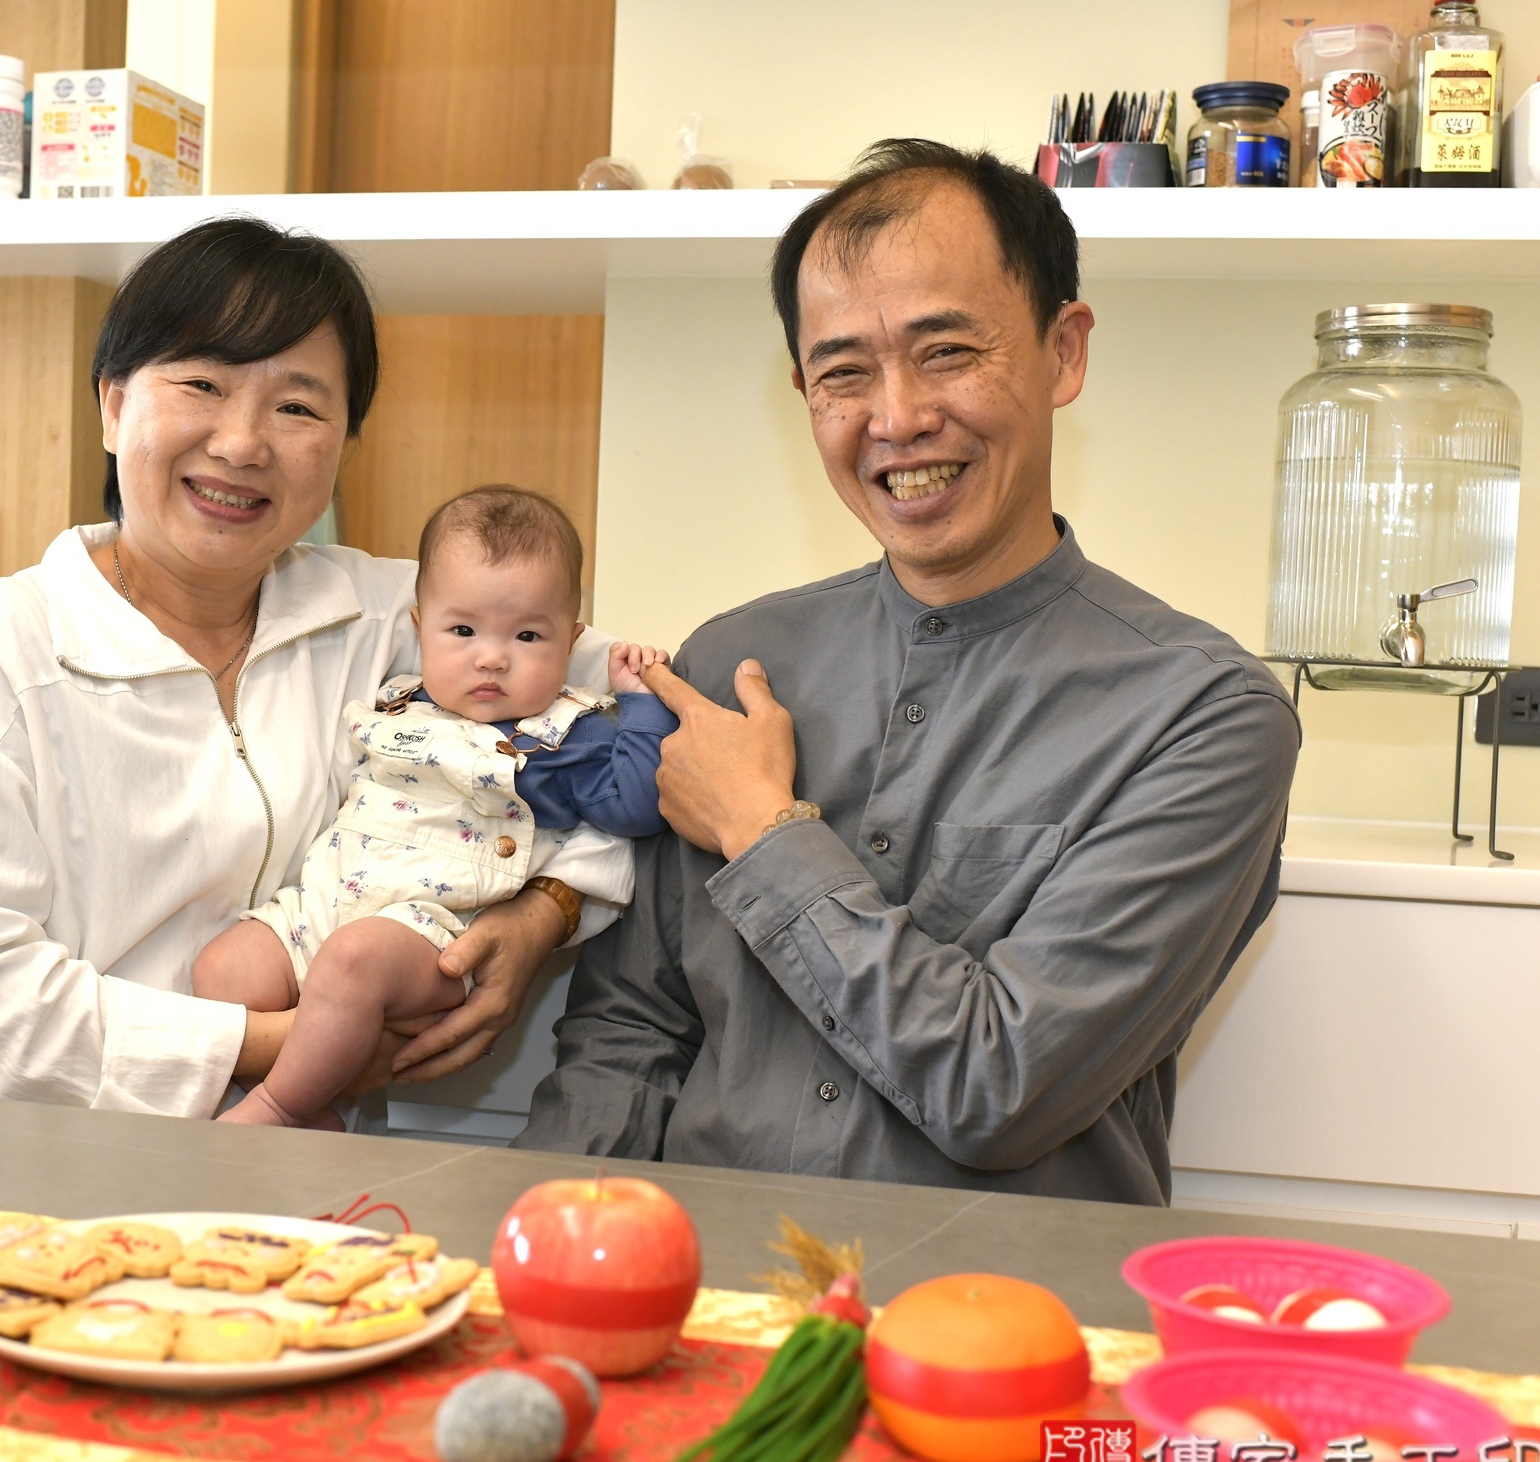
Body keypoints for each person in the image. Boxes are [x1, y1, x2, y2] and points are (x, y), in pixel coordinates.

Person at [515, 139, 1300, 1203]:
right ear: (803, 391)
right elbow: (630, 1026)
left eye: (946, 352)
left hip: (1006, 1335)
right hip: (708, 1304)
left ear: (1063, 352)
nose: (896, 417)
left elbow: (1002, 1087)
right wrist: (552, 1257)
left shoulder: (1202, 715)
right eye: (843, 371)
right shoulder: (729, 663)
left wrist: (765, 832)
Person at [0, 219, 631, 1123]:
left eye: (297, 407)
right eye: (202, 384)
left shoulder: (400, 623)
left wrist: (540, 917)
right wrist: (305, 1043)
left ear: (346, 442)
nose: (241, 443)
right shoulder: (5, 651)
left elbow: (643, 730)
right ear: (113, 406)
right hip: (51, 1180)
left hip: (306, 1194)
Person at [196, 487, 678, 1129]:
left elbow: (639, 806)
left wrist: (641, 703)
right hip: (323, 901)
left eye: (529, 635)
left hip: (429, 933)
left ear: (572, 640)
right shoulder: (398, 698)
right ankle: (318, 1122)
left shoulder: (567, 735)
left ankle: (280, 1106)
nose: (491, 656)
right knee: (224, 968)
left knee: (350, 965)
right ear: (421, 627)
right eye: (463, 630)